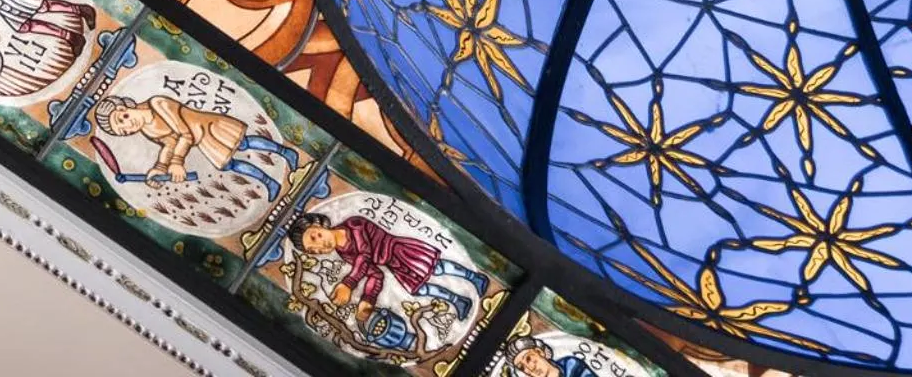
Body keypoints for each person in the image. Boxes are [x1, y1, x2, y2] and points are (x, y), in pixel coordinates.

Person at [288, 211, 489, 323]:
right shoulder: (344, 253)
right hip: (393, 265)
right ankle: (459, 301)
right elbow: (374, 273)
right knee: (419, 290)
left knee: (435, 268)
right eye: (313, 251)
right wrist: (368, 300)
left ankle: (474, 277)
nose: (319, 246)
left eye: (315, 236)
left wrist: (348, 284)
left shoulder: (354, 224)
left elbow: (365, 255)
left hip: (400, 250)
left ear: (320, 224)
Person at [90, 93, 300, 200]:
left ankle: (285, 152)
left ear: (123, 106)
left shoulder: (157, 103)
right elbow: (169, 144)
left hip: (206, 126)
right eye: (125, 131)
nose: (129, 125)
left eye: (123, 118)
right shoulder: (148, 130)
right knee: (229, 166)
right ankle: (269, 182)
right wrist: (160, 168)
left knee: (243, 143)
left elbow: (184, 133)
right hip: (201, 140)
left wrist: (177, 162)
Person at [504, 335, 598, 377]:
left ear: (539, 352)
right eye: (521, 367)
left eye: (529, 359)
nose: (529, 369)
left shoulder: (571, 365)